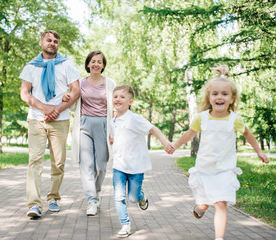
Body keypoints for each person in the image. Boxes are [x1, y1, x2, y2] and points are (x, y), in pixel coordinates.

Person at [170, 65, 270, 240]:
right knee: (203, 205)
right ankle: (199, 208)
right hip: (204, 169)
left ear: (231, 99)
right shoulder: (202, 117)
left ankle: (219, 238)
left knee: (220, 202)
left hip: (224, 170)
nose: (219, 97)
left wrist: (259, 152)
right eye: (215, 93)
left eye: (224, 94)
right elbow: (188, 134)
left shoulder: (234, 119)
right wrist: (175, 145)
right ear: (209, 97)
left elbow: (248, 134)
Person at [19, 30, 81, 218]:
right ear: (41, 42)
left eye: (55, 41)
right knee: (35, 161)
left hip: (60, 121)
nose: (52, 43)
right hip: (36, 119)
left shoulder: (67, 64)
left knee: (59, 162)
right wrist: (45, 108)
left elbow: (76, 90)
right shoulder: (30, 66)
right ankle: (34, 204)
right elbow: (25, 94)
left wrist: (58, 110)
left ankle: (53, 197)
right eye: (48, 40)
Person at [109, 85, 173, 238]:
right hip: (119, 165)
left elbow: (153, 128)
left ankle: (141, 196)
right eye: (115, 96)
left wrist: (164, 142)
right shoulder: (113, 120)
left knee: (132, 197)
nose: (118, 99)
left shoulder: (135, 119)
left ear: (130, 102)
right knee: (118, 196)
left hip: (136, 166)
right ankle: (125, 225)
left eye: (122, 97)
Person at [63, 50, 116, 216]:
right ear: (87, 64)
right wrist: (66, 98)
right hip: (84, 125)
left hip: (103, 125)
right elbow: (72, 106)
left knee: (101, 166)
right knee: (86, 165)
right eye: (93, 61)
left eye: (99, 62)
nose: (96, 64)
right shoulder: (79, 83)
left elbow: (115, 107)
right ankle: (91, 201)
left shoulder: (110, 84)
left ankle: (97, 192)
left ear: (103, 65)